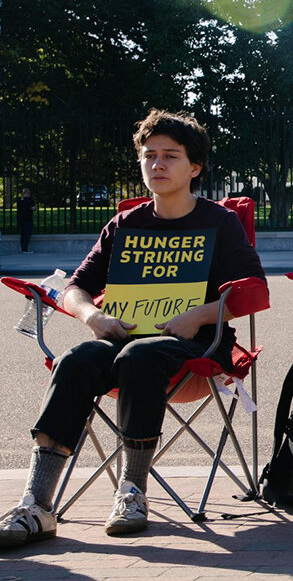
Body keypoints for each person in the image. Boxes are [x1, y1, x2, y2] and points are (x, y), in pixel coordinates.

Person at [0, 111, 266, 547]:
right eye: (150, 156)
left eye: (170, 156)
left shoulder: (219, 223)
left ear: (194, 167)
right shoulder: (126, 224)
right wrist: (92, 316)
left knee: (139, 356)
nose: (157, 165)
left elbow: (252, 292)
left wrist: (196, 316)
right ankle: (36, 503)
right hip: (125, 339)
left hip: (197, 349)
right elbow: (76, 287)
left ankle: (132, 491)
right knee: (78, 358)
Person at [17, 187, 34, 253]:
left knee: (22, 234)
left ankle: (23, 249)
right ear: (28, 193)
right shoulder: (29, 200)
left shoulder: (19, 200)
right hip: (28, 219)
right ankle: (25, 249)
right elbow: (33, 208)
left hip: (21, 219)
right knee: (28, 234)